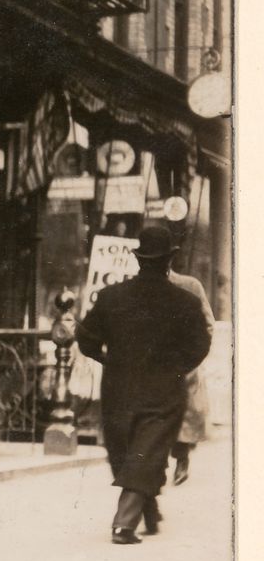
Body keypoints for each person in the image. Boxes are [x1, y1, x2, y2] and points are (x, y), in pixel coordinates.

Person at [75, 224, 212, 544]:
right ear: (169, 260)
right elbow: (200, 345)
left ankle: (136, 514)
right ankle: (126, 523)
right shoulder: (185, 302)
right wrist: (178, 369)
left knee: (125, 452)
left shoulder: (111, 297)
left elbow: (85, 339)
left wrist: (109, 361)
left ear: (137, 259)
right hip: (164, 391)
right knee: (147, 452)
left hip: (118, 390)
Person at [166, 260, 214, 486]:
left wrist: (193, 355)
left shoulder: (190, 285)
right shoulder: (141, 285)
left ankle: (181, 459)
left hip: (184, 362)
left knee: (184, 413)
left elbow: (208, 324)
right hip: (152, 363)